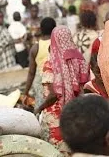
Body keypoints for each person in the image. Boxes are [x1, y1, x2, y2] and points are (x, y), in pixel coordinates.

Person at [37, 26, 90, 155]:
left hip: (57, 118)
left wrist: (38, 109)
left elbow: (54, 94)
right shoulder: (80, 60)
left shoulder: (51, 64)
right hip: (77, 116)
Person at [23, 17, 56, 110]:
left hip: (41, 83)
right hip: (56, 82)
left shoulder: (35, 48)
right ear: (54, 29)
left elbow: (31, 73)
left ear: (41, 30)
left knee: (42, 109)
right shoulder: (58, 44)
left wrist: (25, 92)